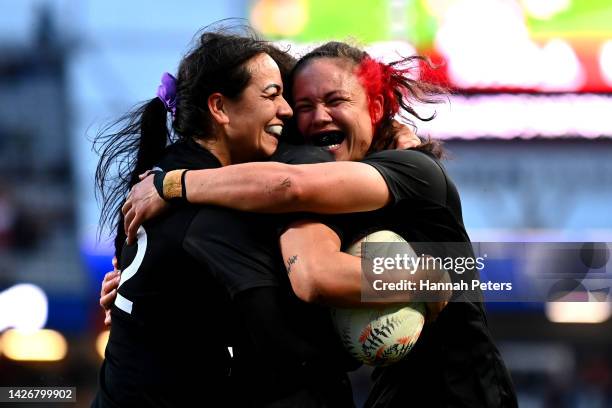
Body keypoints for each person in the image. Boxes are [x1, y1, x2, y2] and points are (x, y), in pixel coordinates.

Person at [121, 41, 518, 407]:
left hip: (466, 394)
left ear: (376, 109)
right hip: (392, 394)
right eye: (303, 104)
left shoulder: (414, 169)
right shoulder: (325, 187)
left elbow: (293, 191)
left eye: (335, 100)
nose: (316, 116)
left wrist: (173, 183)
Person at [92, 28, 368, 407]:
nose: (288, 111)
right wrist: (435, 278)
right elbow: (300, 322)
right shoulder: (220, 207)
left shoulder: (159, 180)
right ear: (219, 108)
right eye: (273, 96)